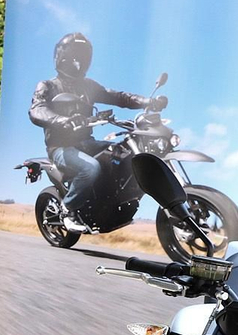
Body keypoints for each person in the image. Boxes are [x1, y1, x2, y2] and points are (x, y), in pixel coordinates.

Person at [28, 33, 164, 221]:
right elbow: (37, 110)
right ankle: (68, 209)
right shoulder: (48, 86)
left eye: (82, 58)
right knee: (90, 168)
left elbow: (118, 96)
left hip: (86, 143)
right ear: (63, 57)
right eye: (75, 57)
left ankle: (110, 201)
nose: (78, 62)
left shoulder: (88, 85)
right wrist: (62, 120)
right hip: (60, 147)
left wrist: (147, 102)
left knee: (122, 153)